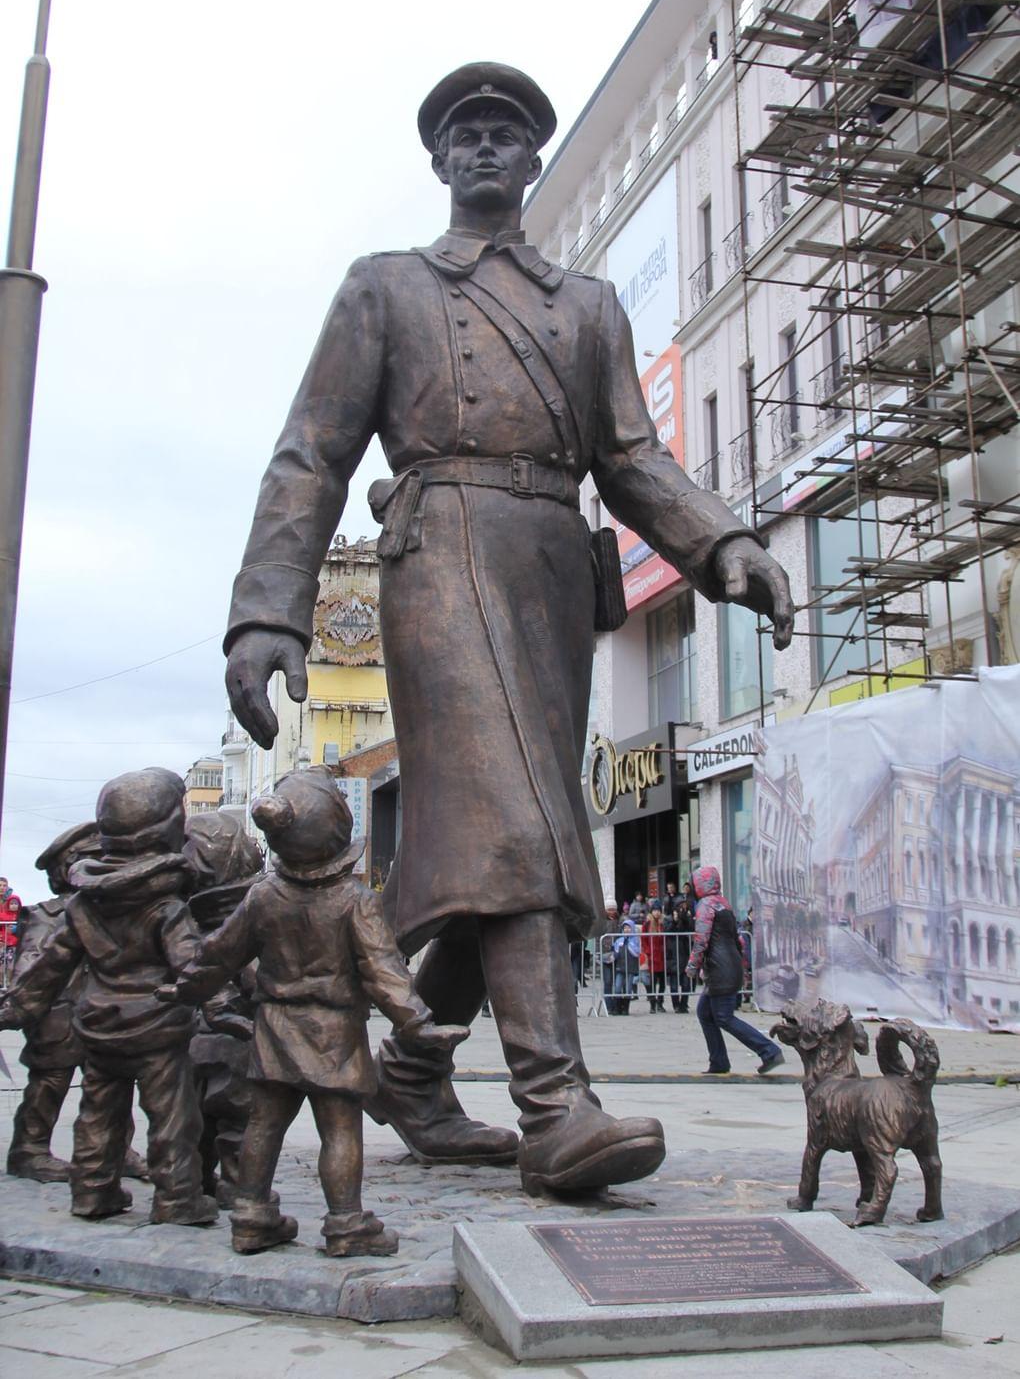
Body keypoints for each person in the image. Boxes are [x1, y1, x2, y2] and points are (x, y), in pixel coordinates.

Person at [222, 61, 794, 1196]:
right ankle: (555, 1105)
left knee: (512, 837)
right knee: (522, 820)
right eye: (464, 134)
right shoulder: (384, 286)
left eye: (505, 133)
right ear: (438, 159)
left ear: (533, 158)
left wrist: (724, 546)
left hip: (548, 570)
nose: (484, 148)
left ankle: (417, 1077)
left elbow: (632, 458)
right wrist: (268, 609)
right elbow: (313, 452)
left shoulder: (587, 305)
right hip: (438, 553)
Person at [158, 769, 466, 1257]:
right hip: (335, 1031)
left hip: (275, 1026)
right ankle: (345, 1223)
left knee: (264, 1123)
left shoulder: (262, 897)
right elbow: (386, 974)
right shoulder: (356, 902)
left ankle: (252, 1216)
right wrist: (418, 1025)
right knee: (340, 1128)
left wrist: (186, 987)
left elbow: (219, 954)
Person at [0, 769, 218, 1224]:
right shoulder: (166, 906)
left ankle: (92, 1192)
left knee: (98, 1112)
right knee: (173, 1117)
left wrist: (19, 1007)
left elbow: (48, 968)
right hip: (157, 1030)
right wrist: (212, 993)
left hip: (98, 1027)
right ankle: (177, 1199)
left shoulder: (81, 906)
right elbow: (192, 968)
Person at [183, 810, 265, 1207]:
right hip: (234, 1038)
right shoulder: (247, 917)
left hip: (191, 1037)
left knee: (194, 1119)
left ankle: (193, 1180)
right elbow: (254, 978)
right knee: (238, 1118)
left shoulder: (183, 918)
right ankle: (237, 1183)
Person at [684, 866, 783, 1077]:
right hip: (728, 967)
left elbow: (701, 939)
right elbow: (737, 939)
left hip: (720, 970)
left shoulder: (706, 906)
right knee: (705, 1013)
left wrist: (692, 966)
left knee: (723, 1017)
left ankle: (769, 1051)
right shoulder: (723, 904)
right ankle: (718, 1061)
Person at [612, 917, 641, 1015]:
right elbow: (616, 952)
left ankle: (625, 1009)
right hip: (620, 967)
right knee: (617, 987)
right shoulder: (619, 940)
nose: (626, 930)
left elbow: (636, 953)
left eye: (629, 928)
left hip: (630, 967)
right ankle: (617, 1007)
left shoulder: (635, 940)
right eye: (625, 928)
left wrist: (628, 944)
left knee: (628, 988)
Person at [641, 905, 668, 1013]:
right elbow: (644, 939)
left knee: (662, 982)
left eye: (658, 911)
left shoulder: (663, 924)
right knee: (652, 981)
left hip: (662, 956)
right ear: (651, 912)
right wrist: (647, 952)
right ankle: (652, 1004)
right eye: (655, 911)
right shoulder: (647, 924)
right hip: (652, 956)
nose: (657, 913)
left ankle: (660, 1002)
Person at [0, 877, 22, 987]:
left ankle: (8, 984)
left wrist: (16, 928)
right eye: (0, 885)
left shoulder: (12, 899)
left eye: (4, 886)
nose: (2, 888)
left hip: (11, 940)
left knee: (10, 964)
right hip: (2, 937)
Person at [600, 899, 621, 1015]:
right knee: (608, 981)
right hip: (606, 954)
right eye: (609, 909)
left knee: (617, 981)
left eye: (613, 909)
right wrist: (598, 953)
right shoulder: (602, 922)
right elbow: (599, 939)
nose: (611, 911)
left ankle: (617, 1005)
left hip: (618, 954)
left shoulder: (620, 921)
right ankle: (609, 1005)